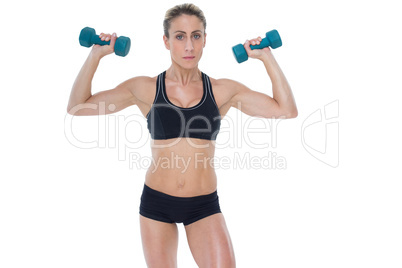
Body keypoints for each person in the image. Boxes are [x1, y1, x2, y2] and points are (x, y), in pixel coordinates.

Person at [67, 3, 297, 267]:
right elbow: (77, 106)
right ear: (166, 41)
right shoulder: (145, 88)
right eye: (180, 36)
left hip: (204, 206)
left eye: (196, 36)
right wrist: (95, 55)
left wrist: (267, 57)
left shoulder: (223, 90)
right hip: (156, 204)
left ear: (205, 40)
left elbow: (286, 110)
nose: (189, 46)